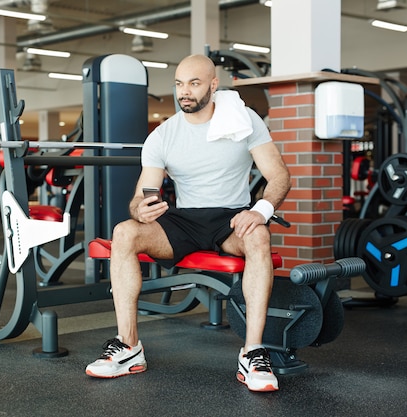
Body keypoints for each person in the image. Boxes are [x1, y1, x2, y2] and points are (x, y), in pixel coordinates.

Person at [85, 54, 291, 392]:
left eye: (194, 83)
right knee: (124, 232)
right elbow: (142, 195)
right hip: (184, 219)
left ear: (213, 85)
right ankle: (129, 346)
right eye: (179, 84)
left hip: (231, 217)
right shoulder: (163, 136)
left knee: (259, 238)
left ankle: (253, 352)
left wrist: (261, 211)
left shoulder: (242, 120)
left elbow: (279, 174)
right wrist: (141, 210)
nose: (185, 92)